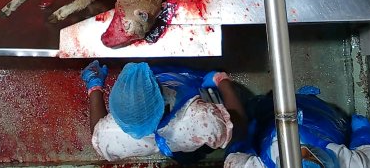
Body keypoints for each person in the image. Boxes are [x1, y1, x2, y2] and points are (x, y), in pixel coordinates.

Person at [81, 60, 247, 162]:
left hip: (173, 145)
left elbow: (97, 130)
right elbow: (239, 127)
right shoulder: (201, 118)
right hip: (191, 136)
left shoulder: (111, 135)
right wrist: (222, 80)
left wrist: (94, 86)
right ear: (162, 98)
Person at [225, 86, 370, 168]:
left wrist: (247, 136)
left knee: (261, 109)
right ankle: (307, 97)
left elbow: (234, 154)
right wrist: (362, 129)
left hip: (270, 122)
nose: (303, 150)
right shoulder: (348, 162)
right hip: (324, 121)